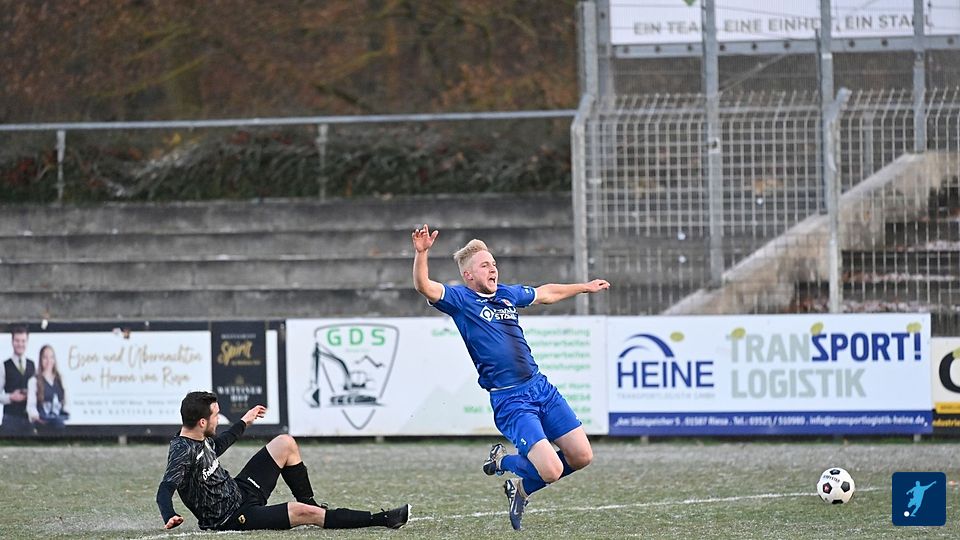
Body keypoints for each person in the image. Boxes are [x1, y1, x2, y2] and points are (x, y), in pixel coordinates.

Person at [411, 225, 610, 530]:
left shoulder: (507, 294)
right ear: (468, 275)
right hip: (511, 399)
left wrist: (584, 287)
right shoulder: (460, 300)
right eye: (484, 265)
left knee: (582, 456)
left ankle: (522, 489)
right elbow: (424, 286)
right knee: (552, 470)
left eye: (493, 264)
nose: (493, 269)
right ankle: (501, 462)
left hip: (540, 388)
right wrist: (422, 253)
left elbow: (546, 293)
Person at [156, 391, 410, 531]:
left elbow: (219, 445)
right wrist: (170, 514)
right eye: (216, 415)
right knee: (304, 514)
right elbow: (165, 488)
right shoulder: (182, 451)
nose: (218, 419)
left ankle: (310, 502)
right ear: (202, 422)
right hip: (232, 517)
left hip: (240, 491)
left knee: (284, 443)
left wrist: (245, 421)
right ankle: (382, 519)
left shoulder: (199, 436)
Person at [1, 325, 36, 436]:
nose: (20, 344)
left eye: (23, 341)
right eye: (17, 341)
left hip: (28, 419)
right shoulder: (4, 365)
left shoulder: (32, 364)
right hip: (10, 418)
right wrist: (10, 397)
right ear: (12, 342)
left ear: (27, 342)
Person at [27, 345, 68, 432]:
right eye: (45, 357)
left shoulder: (61, 379)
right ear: (40, 360)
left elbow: (66, 402)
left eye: (51, 357)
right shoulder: (34, 381)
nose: (49, 361)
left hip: (59, 425)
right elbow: (31, 406)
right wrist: (37, 417)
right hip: (42, 426)